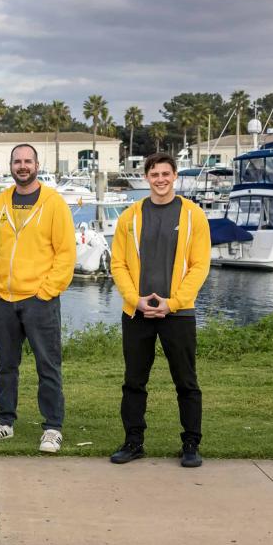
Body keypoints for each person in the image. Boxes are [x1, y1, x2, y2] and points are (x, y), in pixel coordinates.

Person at [109, 152, 210, 467]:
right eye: (155, 174)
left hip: (178, 313)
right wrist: (134, 299)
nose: (161, 179)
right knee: (134, 381)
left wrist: (173, 303)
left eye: (166, 174)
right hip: (137, 313)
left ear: (175, 176)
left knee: (186, 381)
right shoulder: (130, 216)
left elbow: (200, 266)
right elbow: (118, 264)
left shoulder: (194, 215)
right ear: (146, 178)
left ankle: (191, 444)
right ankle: (133, 442)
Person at [0, 144, 75, 453]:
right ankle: (5, 422)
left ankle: (52, 428)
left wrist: (46, 291)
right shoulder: (0, 203)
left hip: (39, 300)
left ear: (36, 165)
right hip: (3, 300)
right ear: (11, 165)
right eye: (17, 161)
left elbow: (66, 254)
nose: (22, 166)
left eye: (27, 161)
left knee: (48, 365)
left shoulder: (54, 203)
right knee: (6, 365)